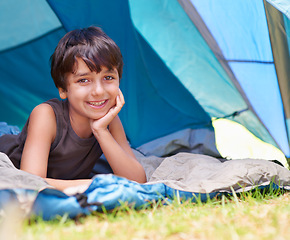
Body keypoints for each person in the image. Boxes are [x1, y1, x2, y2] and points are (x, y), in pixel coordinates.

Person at [0, 26, 146, 190]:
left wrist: (101, 131)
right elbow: (32, 182)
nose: (98, 91)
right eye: (84, 80)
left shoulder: (109, 121)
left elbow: (137, 181)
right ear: (63, 89)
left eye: (108, 77)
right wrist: (96, 185)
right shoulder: (46, 115)